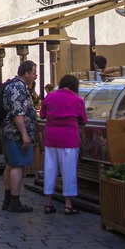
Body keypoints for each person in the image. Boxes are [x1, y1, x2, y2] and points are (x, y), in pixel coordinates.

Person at [40, 74, 87, 215]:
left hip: (51, 138)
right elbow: (83, 120)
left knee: (50, 169)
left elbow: (42, 115)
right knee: (69, 170)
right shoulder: (77, 100)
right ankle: (68, 205)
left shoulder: (49, 97)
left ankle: (48, 202)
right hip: (69, 139)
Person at [0, 60, 38, 212]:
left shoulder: (15, 85)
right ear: (26, 73)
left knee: (11, 164)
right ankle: (14, 201)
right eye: (34, 73)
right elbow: (18, 113)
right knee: (17, 165)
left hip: (10, 132)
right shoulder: (18, 88)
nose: (36, 76)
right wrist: (24, 134)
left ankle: (8, 200)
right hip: (15, 134)